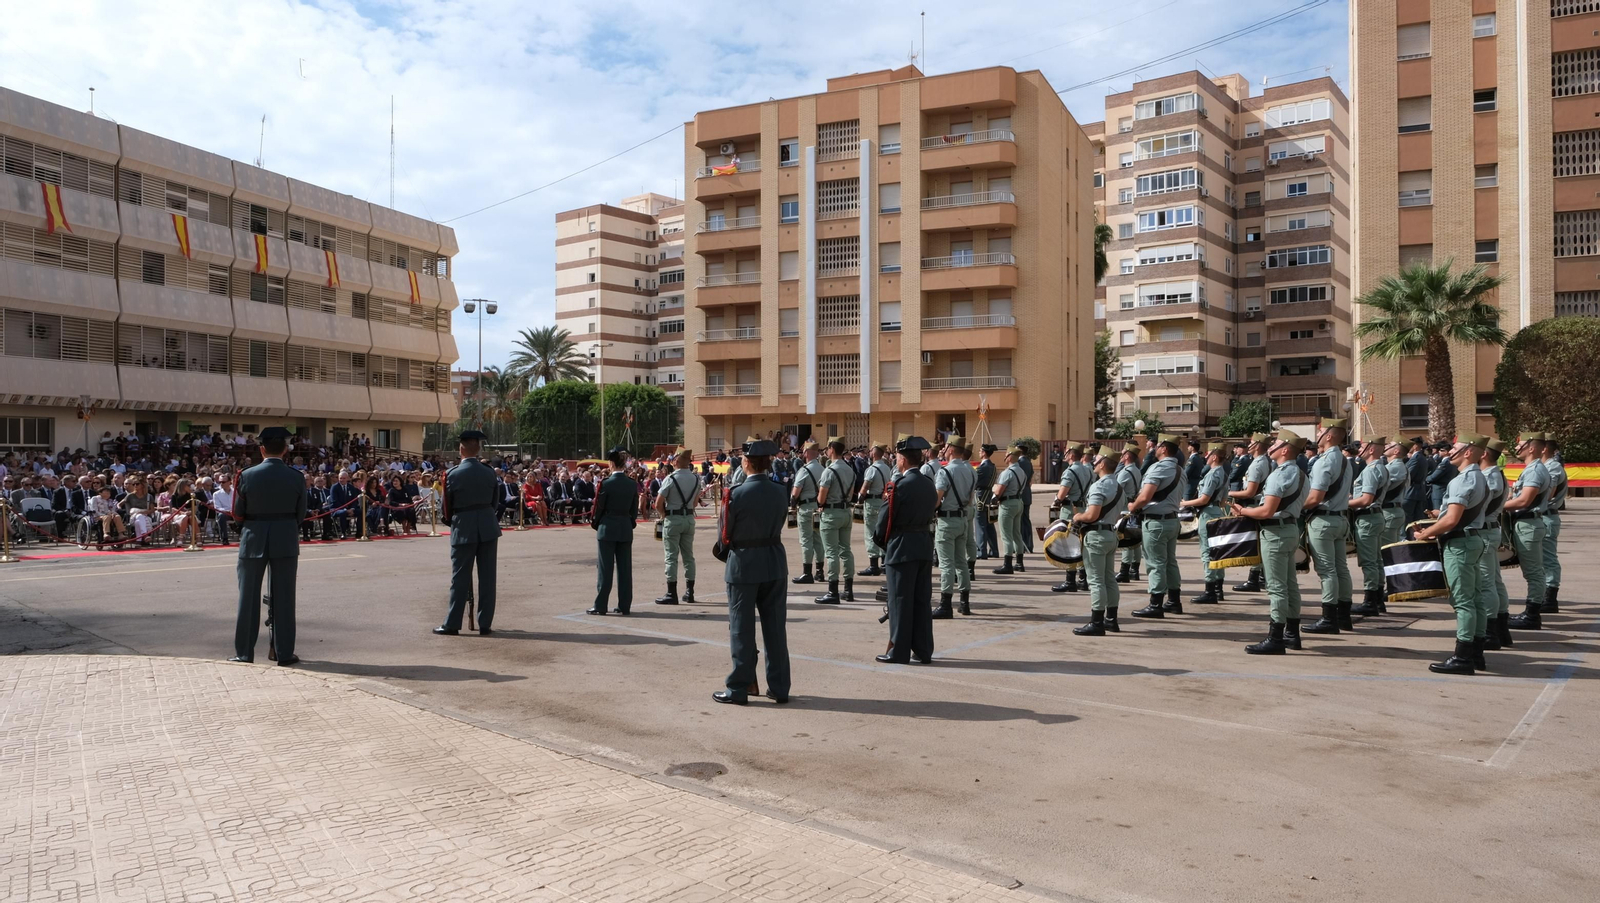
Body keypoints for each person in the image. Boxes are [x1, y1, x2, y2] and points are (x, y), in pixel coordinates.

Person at [713, 439, 792, 705]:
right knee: (776, 628)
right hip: (774, 560)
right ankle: (779, 687)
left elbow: (724, 535)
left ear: (746, 462)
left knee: (741, 629)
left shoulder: (735, 494)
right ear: (768, 463)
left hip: (744, 564)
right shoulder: (781, 491)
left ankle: (739, 687)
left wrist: (731, 556)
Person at [230, 427, 308, 665]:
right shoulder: (296, 477)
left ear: (261, 448)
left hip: (253, 538)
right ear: (286, 449)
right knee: (284, 598)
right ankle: (284, 653)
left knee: (248, 599)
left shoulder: (245, 475)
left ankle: (244, 653)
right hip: (285, 537)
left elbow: (237, 513)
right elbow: (301, 514)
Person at [1413, 436, 1490, 673]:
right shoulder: (1480, 477)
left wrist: (1426, 534)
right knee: (1475, 599)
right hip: (1472, 539)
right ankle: (1476, 653)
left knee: (1463, 601)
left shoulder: (1463, 480)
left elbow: (1452, 519)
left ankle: (1463, 657)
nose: (1450, 452)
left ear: (1468, 452)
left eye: (1455, 449)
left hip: (1460, 544)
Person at [1232, 428, 1308, 655]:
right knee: (1290, 584)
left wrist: (1244, 511)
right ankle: (1292, 635)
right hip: (1290, 529)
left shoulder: (1280, 474)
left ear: (1285, 449)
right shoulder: (1301, 473)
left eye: (1275, 444)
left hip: (1275, 533)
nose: (1270, 446)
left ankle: (1276, 637)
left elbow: (1266, 511)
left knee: (1276, 587)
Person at [876, 436, 937, 664]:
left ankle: (898, 651)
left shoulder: (899, 485)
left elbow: (883, 522)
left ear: (901, 459)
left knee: (900, 601)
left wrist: (882, 542)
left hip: (901, 547)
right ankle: (923, 650)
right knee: (921, 601)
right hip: (923, 544)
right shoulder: (929, 483)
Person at [434, 430, 502, 635]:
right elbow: (495, 502)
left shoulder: (453, 474)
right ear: (478, 448)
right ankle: (485, 624)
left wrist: (453, 521)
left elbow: (446, 508)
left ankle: (453, 623)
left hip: (463, 526)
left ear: (461, 448)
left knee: (460, 577)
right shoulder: (489, 472)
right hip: (488, 526)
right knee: (488, 578)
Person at [1302, 417, 1356, 635]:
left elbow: (1315, 497)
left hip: (1324, 520)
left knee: (1327, 570)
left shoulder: (1325, 461)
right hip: (1341, 518)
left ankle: (1329, 618)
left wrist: (1295, 507)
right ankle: (1344, 616)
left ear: (1330, 435)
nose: (1318, 435)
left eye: (1321, 431)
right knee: (1341, 568)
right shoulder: (1344, 460)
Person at [1128, 434, 1187, 618]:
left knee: (1155, 564)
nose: (1153, 449)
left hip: (1156, 522)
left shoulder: (1157, 468)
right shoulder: (1179, 469)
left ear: (1163, 448)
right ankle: (1174, 601)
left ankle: (1155, 604)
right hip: (1172, 520)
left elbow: (1145, 497)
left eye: (1157, 446)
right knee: (1170, 561)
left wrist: (1133, 506)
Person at [1071, 452, 1126, 635]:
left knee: (1095, 581)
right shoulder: (1118, 487)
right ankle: (1111, 620)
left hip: (1096, 536)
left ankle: (1097, 623)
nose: (1094, 463)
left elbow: (1092, 515)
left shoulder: (1099, 486)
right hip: (1110, 534)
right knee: (1109, 578)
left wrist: (1078, 516)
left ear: (1102, 464)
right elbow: (1118, 515)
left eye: (1096, 460)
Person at [1504, 432, 1551, 631]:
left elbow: (1524, 501)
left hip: (1528, 525)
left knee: (1533, 572)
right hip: (1526, 524)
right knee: (1533, 571)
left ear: (1531, 448)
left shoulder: (1534, 471)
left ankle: (1532, 615)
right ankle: (1531, 612)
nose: (1516, 448)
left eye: (1520, 445)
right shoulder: (1532, 469)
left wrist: (1497, 507)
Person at [588, 447, 639, 615]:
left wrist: (597, 524)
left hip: (607, 527)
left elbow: (598, 508)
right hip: (625, 527)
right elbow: (634, 510)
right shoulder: (632, 484)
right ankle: (624, 606)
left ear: (611, 463)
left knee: (605, 569)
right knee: (625, 570)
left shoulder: (606, 483)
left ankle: (601, 605)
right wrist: (628, 522)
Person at [1179, 442, 1229, 605]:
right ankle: (1218, 589)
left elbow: (1204, 499)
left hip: (1207, 514)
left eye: (1208, 455)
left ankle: (1210, 591)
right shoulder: (1223, 473)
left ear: (1214, 456)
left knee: (1207, 552)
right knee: (1218, 551)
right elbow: (1222, 501)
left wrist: (1183, 503)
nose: (1206, 457)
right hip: (1217, 512)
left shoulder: (1213, 474)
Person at [933, 435, 977, 617]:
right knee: (961, 563)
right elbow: (970, 498)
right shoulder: (971, 470)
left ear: (951, 449)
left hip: (947, 521)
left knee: (946, 564)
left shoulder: (945, 471)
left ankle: (945, 605)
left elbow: (936, 499)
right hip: (962, 519)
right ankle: (964, 603)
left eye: (945, 447)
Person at [653, 447, 703, 606]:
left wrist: (663, 515)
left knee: (671, 556)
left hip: (673, 519)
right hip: (688, 518)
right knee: (689, 556)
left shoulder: (670, 478)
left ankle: (671, 593)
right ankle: (690, 592)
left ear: (677, 461)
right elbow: (695, 503)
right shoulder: (696, 479)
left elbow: (658, 503)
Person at [1349, 437, 1392, 616]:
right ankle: (1377, 600)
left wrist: (1346, 503)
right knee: (1376, 560)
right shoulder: (1381, 467)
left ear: (1372, 449)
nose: (1360, 449)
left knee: (1369, 562)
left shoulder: (1371, 470)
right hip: (1375, 516)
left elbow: (1366, 499)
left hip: (1367, 517)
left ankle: (1370, 601)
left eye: (1364, 446)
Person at [1477, 439, 1514, 651]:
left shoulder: (1489, 477)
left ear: (1482, 454)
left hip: (1483, 530)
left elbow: (1479, 507)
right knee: (1494, 580)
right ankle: (1501, 629)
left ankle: (1491, 631)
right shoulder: (1496, 474)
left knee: (1485, 582)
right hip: (1490, 528)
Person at [813, 437, 858, 604]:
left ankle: (833, 591)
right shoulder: (850, 470)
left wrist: (820, 503)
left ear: (832, 449)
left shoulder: (829, 471)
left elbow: (821, 496)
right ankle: (848, 590)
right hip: (846, 511)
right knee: (846, 550)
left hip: (831, 513)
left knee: (831, 552)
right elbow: (852, 491)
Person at [1227, 433, 1272, 592]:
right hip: (1259, 504)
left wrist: (1230, 493)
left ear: (1258, 445)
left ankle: (1255, 579)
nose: (1248, 445)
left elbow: (1250, 492)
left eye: (1251, 443)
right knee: (1259, 544)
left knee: (1256, 544)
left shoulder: (1257, 464)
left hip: (1253, 505)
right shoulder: (1265, 461)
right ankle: (1260, 578)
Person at [1051, 445, 1091, 593]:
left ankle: (1070, 581)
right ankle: (1083, 579)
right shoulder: (1088, 470)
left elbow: (1062, 494)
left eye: (1066, 452)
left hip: (1070, 511)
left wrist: (1056, 500)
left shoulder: (1069, 471)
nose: (1064, 455)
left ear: (1071, 455)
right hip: (1083, 509)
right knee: (1081, 545)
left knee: (1069, 545)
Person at [990, 444, 1029, 575]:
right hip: (1019, 501)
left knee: (1006, 535)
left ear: (1011, 457)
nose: (1005, 457)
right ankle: (1019, 563)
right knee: (1017, 533)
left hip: (1007, 504)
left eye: (1006, 454)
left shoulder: (1007, 473)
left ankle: (1007, 564)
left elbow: (999, 491)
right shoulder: (1021, 471)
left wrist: (994, 492)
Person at [790, 440, 824, 584]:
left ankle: (807, 573)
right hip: (818, 508)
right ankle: (820, 571)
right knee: (818, 540)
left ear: (806, 453)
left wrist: (792, 505)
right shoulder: (823, 469)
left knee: (806, 540)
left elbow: (795, 492)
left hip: (806, 508)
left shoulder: (804, 470)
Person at [856, 442, 893, 577]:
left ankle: (873, 565)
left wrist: (859, 499)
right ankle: (884, 563)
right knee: (883, 531)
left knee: (871, 533)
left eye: (871, 450)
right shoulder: (887, 468)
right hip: (883, 502)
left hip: (872, 503)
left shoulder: (872, 469)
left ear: (874, 452)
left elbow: (865, 488)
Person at [1539, 437, 1567, 614]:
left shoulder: (1553, 467)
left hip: (1547, 516)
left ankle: (1550, 597)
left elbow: (1547, 494)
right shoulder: (1543, 467)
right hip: (1541, 516)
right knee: (1541, 559)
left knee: (1548, 559)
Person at [1113, 441, 1144, 583]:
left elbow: (1116, 491)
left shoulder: (1125, 472)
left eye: (1122, 453)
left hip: (1125, 509)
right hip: (1134, 508)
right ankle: (1134, 570)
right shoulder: (1137, 470)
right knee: (1135, 541)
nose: (1120, 455)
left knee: (1126, 541)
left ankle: (1124, 571)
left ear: (1126, 456)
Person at [973, 444, 999, 559]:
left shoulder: (983, 468)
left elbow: (974, 481)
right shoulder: (992, 466)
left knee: (980, 525)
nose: (979, 452)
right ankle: (994, 550)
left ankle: (981, 551)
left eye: (980, 451)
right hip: (988, 495)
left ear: (984, 453)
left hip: (980, 496)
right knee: (989, 524)